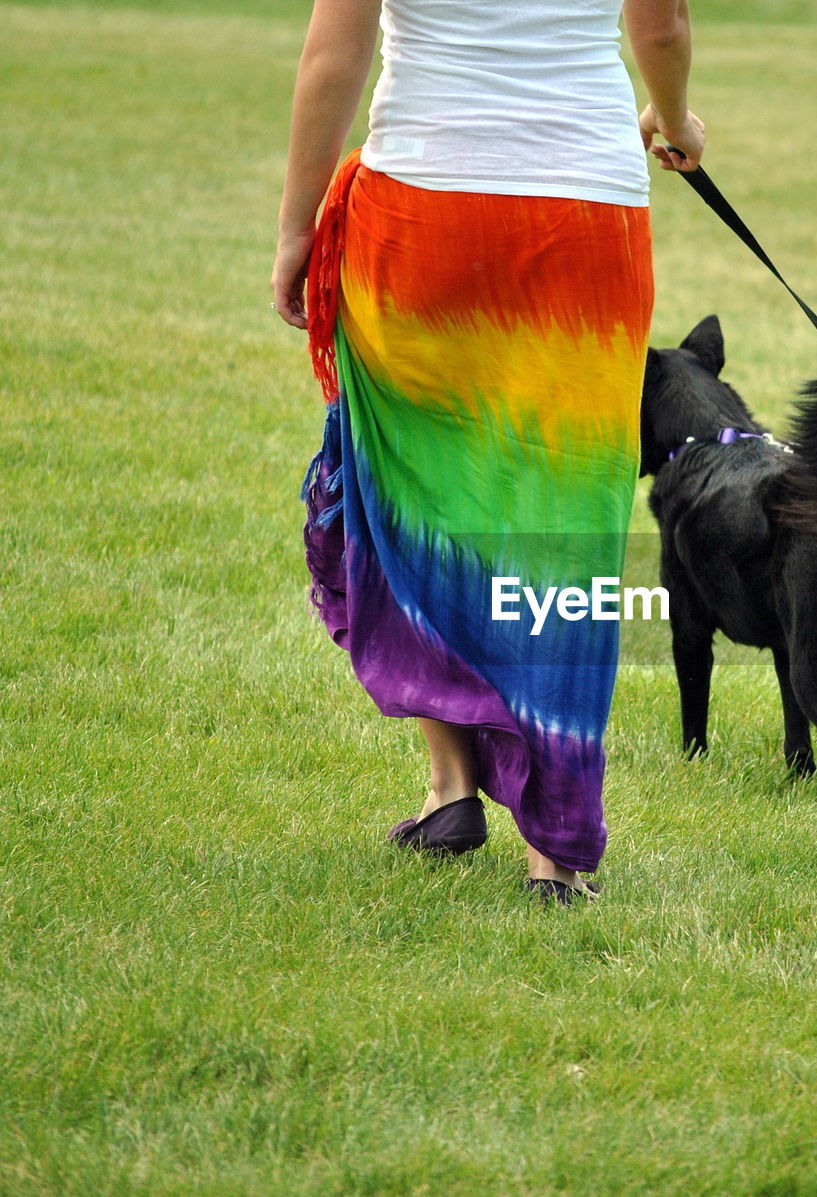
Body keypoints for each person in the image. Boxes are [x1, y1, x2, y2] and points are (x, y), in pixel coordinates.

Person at [271, 0, 704, 904]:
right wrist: (672, 113)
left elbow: (333, 53)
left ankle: (451, 784)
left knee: (411, 499)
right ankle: (555, 849)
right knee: (565, 521)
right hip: (586, 206)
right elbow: (658, 27)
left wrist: (296, 228)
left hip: (422, 208)